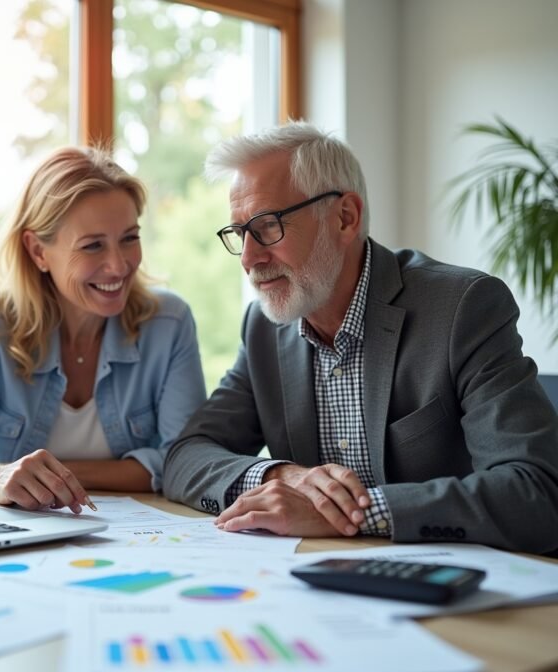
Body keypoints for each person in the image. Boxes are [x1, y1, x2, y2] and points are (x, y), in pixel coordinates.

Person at [162, 120, 558, 554]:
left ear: (344, 218)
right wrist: (282, 476)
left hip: (461, 588)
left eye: (267, 226)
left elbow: (534, 493)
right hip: (322, 581)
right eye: (240, 234)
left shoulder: (463, 307)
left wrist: (354, 514)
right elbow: (185, 458)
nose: (250, 259)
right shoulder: (264, 328)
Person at [0, 147, 206, 514]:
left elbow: (185, 459)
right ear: (37, 251)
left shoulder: (168, 323)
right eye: (93, 245)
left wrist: (54, 476)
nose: (118, 265)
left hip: (140, 537)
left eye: (130, 238)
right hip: (15, 533)